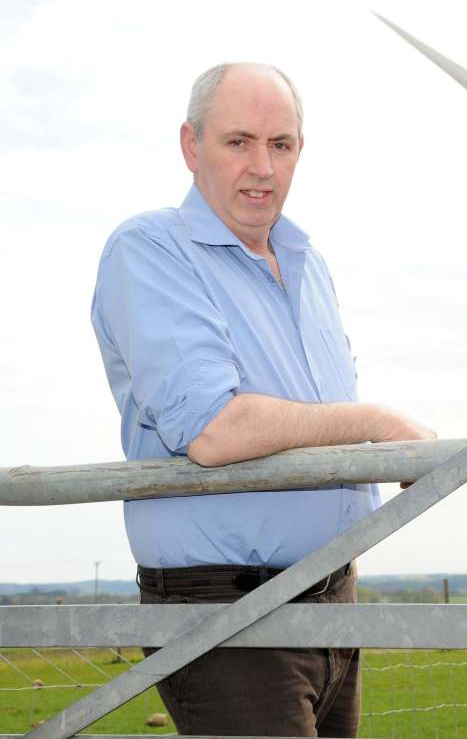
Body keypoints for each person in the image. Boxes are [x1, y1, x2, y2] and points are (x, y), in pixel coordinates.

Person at [91, 62, 434, 737]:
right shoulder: (152, 250)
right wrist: (380, 425)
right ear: (192, 147)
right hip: (229, 608)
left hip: (335, 598)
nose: (262, 166)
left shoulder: (309, 264)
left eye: (281, 145)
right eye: (238, 141)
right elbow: (212, 428)